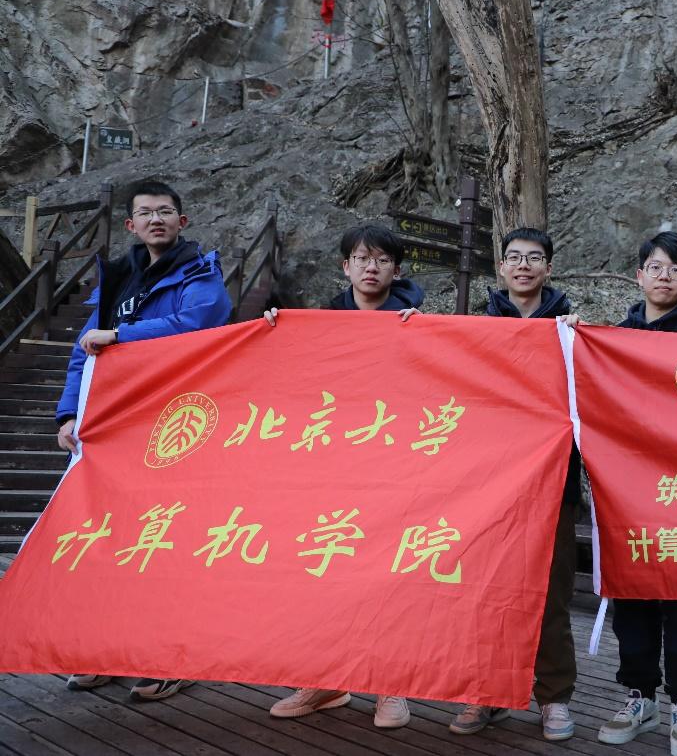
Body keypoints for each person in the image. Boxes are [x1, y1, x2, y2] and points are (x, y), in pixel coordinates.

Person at [58, 180, 232, 701]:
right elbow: (83, 352)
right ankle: (108, 650)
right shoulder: (117, 281)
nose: (157, 219)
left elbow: (196, 325)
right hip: (115, 428)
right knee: (110, 540)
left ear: (183, 221)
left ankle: (171, 656)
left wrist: (122, 336)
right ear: (130, 225)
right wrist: (69, 413)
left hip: (175, 428)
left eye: (166, 211)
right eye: (146, 213)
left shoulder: (201, 275)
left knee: (167, 540)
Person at [262, 224, 422, 730]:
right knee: (324, 573)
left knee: (387, 579)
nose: (371, 268)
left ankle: (390, 686)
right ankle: (324, 680)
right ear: (345, 266)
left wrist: (427, 336)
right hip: (331, 470)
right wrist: (273, 331)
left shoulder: (417, 323)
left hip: (393, 470)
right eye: (361, 258)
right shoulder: (319, 321)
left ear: (397, 270)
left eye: (382, 260)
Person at [445, 227, 581, 742]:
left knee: (552, 595)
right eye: (515, 257)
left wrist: (581, 341)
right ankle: (487, 693)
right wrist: (410, 329)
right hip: (489, 487)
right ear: (501, 267)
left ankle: (553, 697)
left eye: (535, 258)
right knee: (485, 593)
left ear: (549, 268)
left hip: (555, 483)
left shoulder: (571, 332)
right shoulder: (477, 330)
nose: (524, 266)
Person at [598, 231, 677, 756]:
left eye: (675, 268)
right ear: (639, 276)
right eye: (654, 266)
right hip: (626, 492)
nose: (664, 275)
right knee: (632, 598)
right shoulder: (615, 338)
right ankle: (640, 696)